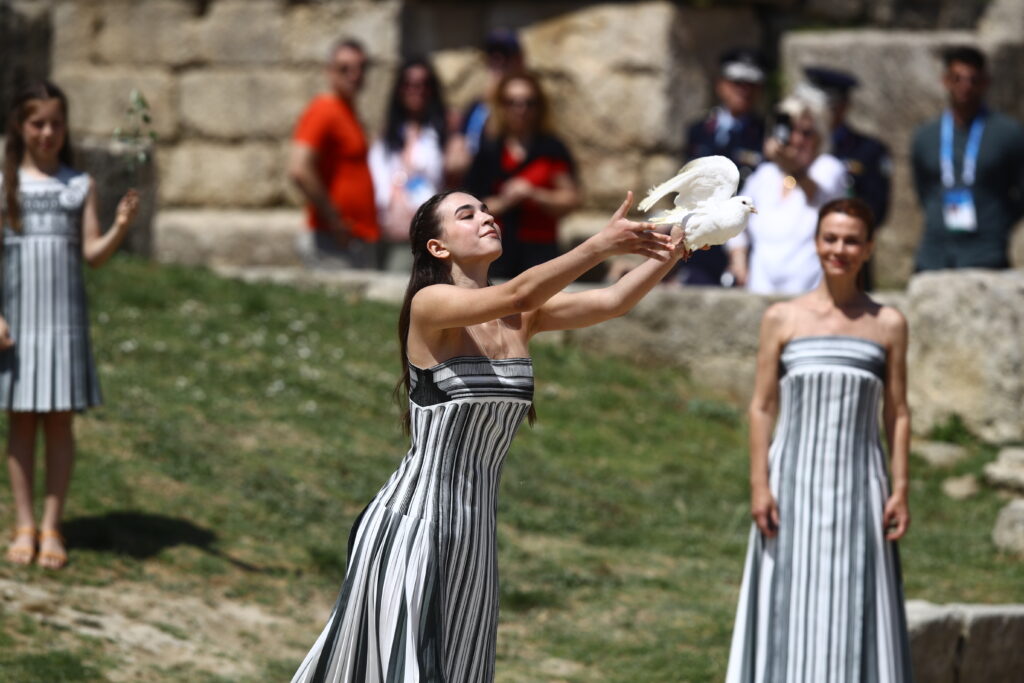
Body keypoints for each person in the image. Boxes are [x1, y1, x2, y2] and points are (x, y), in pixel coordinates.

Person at [291, 189, 691, 682]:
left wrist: (677, 247)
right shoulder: (430, 304)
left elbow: (614, 300)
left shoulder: (522, 317)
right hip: (413, 527)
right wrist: (598, 246)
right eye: (467, 214)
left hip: (476, 539)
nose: (486, 217)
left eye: (485, 209)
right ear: (438, 248)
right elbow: (520, 292)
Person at [725, 198, 913, 683]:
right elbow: (762, 406)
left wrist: (901, 487)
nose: (840, 249)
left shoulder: (888, 323)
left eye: (852, 240)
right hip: (792, 485)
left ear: (869, 248)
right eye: (831, 238)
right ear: (816, 243)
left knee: (856, 601)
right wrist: (759, 484)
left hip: (861, 486)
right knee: (789, 600)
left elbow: (898, 411)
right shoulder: (781, 319)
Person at [1, 81, 139, 569]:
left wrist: (120, 226)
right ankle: (22, 522)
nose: (48, 132)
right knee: (20, 423)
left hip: (63, 326)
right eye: (37, 123)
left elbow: (92, 255)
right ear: (20, 126)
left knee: (59, 423)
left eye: (56, 123)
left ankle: (52, 525)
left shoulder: (79, 184)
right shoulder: (5, 182)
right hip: (17, 325)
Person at [911, 45, 1024, 272]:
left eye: (973, 80)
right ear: (945, 81)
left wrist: (999, 222)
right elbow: (923, 189)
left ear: (984, 82)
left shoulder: (1008, 133)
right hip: (935, 252)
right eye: (957, 79)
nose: (965, 87)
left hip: (986, 249)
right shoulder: (926, 135)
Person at [726, 88, 848, 295]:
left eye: (806, 133)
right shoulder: (765, 175)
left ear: (820, 137)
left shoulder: (828, 168)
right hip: (760, 292)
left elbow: (817, 194)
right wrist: (738, 261)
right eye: (790, 130)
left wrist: (792, 167)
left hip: (809, 295)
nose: (797, 139)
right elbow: (733, 220)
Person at [465, 71, 581, 279]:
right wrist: (506, 201)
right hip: (495, 246)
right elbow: (471, 205)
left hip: (540, 247)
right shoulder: (489, 149)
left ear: (539, 106)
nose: (521, 110)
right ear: (501, 106)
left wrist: (534, 194)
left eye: (529, 102)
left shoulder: (551, 148)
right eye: (512, 102)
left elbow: (571, 198)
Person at [289, 38, 379, 269]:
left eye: (360, 68)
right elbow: (300, 168)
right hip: (332, 237)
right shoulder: (324, 109)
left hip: (351, 237)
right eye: (344, 68)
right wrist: (335, 219)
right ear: (329, 72)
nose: (354, 75)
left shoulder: (348, 112)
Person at [680, 48, 767, 287]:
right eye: (737, 82)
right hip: (699, 239)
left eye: (751, 84)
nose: (744, 90)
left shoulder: (764, 136)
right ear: (721, 84)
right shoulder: (699, 131)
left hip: (742, 244)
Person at [805, 66, 892, 290]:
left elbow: (876, 211)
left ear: (842, 106)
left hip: (845, 260)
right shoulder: (798, 151)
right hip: (798, 262)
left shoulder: (868, 151)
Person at [369, 57, 449, 272]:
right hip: (390, 232)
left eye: (423, 84)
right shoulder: (387, 136)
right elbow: (378, 182)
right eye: (409, 84)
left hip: (430, 233)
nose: (417, 90)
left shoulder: (443, 132)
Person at [446, 28, 526, 184]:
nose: (498, 61)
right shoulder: (476, 106)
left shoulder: (527, 103)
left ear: (518, 61)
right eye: (493, 56)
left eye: (505, 56)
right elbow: (455, 162)